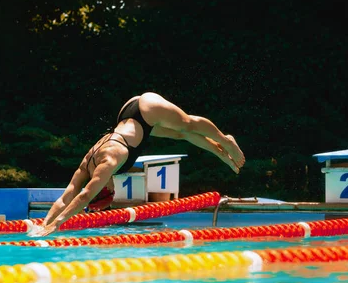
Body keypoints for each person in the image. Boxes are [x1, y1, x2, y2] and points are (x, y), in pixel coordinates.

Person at [31, 92, 245, 237]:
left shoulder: (108, 162)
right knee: (182, 134)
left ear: (104, 188)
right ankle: (221, 153)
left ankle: (225, 139)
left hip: (145, 108)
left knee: (187, 124)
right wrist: (44, 224)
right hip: (129, 116)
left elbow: (84, 196)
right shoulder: (86, 165)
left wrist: (57, 224)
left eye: (110, 193)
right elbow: (65, 196)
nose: (115, 189)